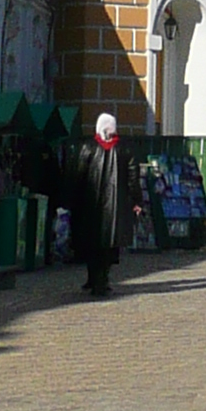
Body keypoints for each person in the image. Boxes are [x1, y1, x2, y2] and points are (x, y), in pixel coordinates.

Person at [73, 110, 123, 296]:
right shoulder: (121, 149)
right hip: (113, 210)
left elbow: (78, 176)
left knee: (92, 245)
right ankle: (102, 278)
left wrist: (73, 200)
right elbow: (130, 177)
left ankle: (95, 279)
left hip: (90, 207)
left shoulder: (88, 148)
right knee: (108, 247)